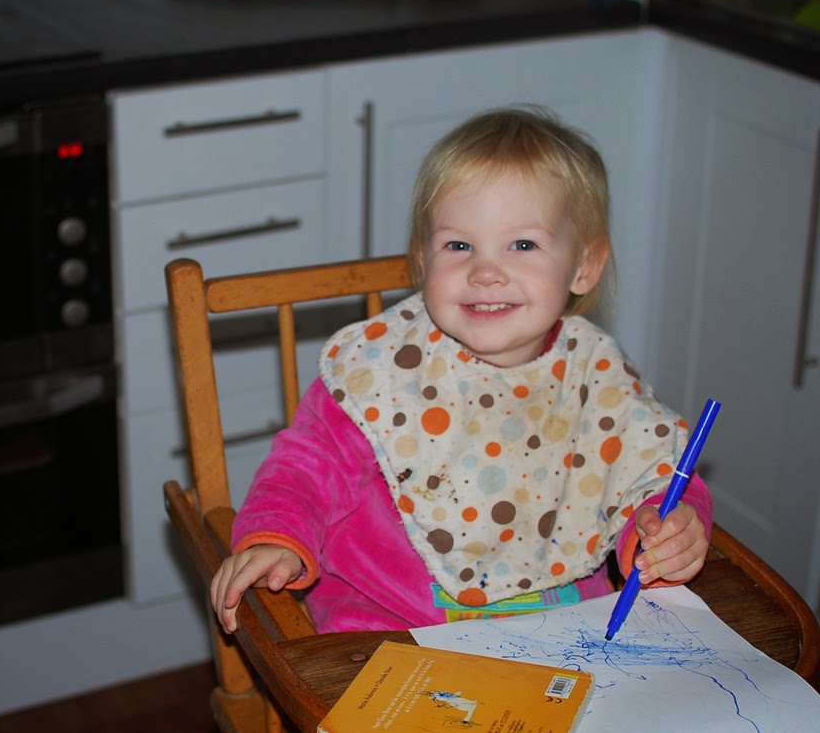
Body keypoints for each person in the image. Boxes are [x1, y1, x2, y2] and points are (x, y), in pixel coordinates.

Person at [210, 106, 712, 635]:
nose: (486, 271)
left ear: (584, 266)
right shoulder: (382, 370)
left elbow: (656, 472)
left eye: (523, 244)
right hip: (389, 627)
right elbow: (306, 469)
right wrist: (278, 535)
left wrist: (669, 529)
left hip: (561, 628)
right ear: (423, 259)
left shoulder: (596, 373)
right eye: (459, 245)